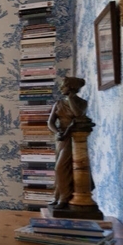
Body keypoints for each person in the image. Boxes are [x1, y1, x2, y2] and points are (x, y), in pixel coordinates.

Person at [47, 76, 88, 208]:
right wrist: (57, 131)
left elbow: (78, 115)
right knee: (61, 169)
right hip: (61, 138)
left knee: (61, 168)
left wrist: (70, 99)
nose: (61, 88)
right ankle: (57, 196)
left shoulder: (82, 103)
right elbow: (50, 122)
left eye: (63, 86)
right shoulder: (58, 104)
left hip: (74, 138)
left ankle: (64, 198)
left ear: (71, 88)